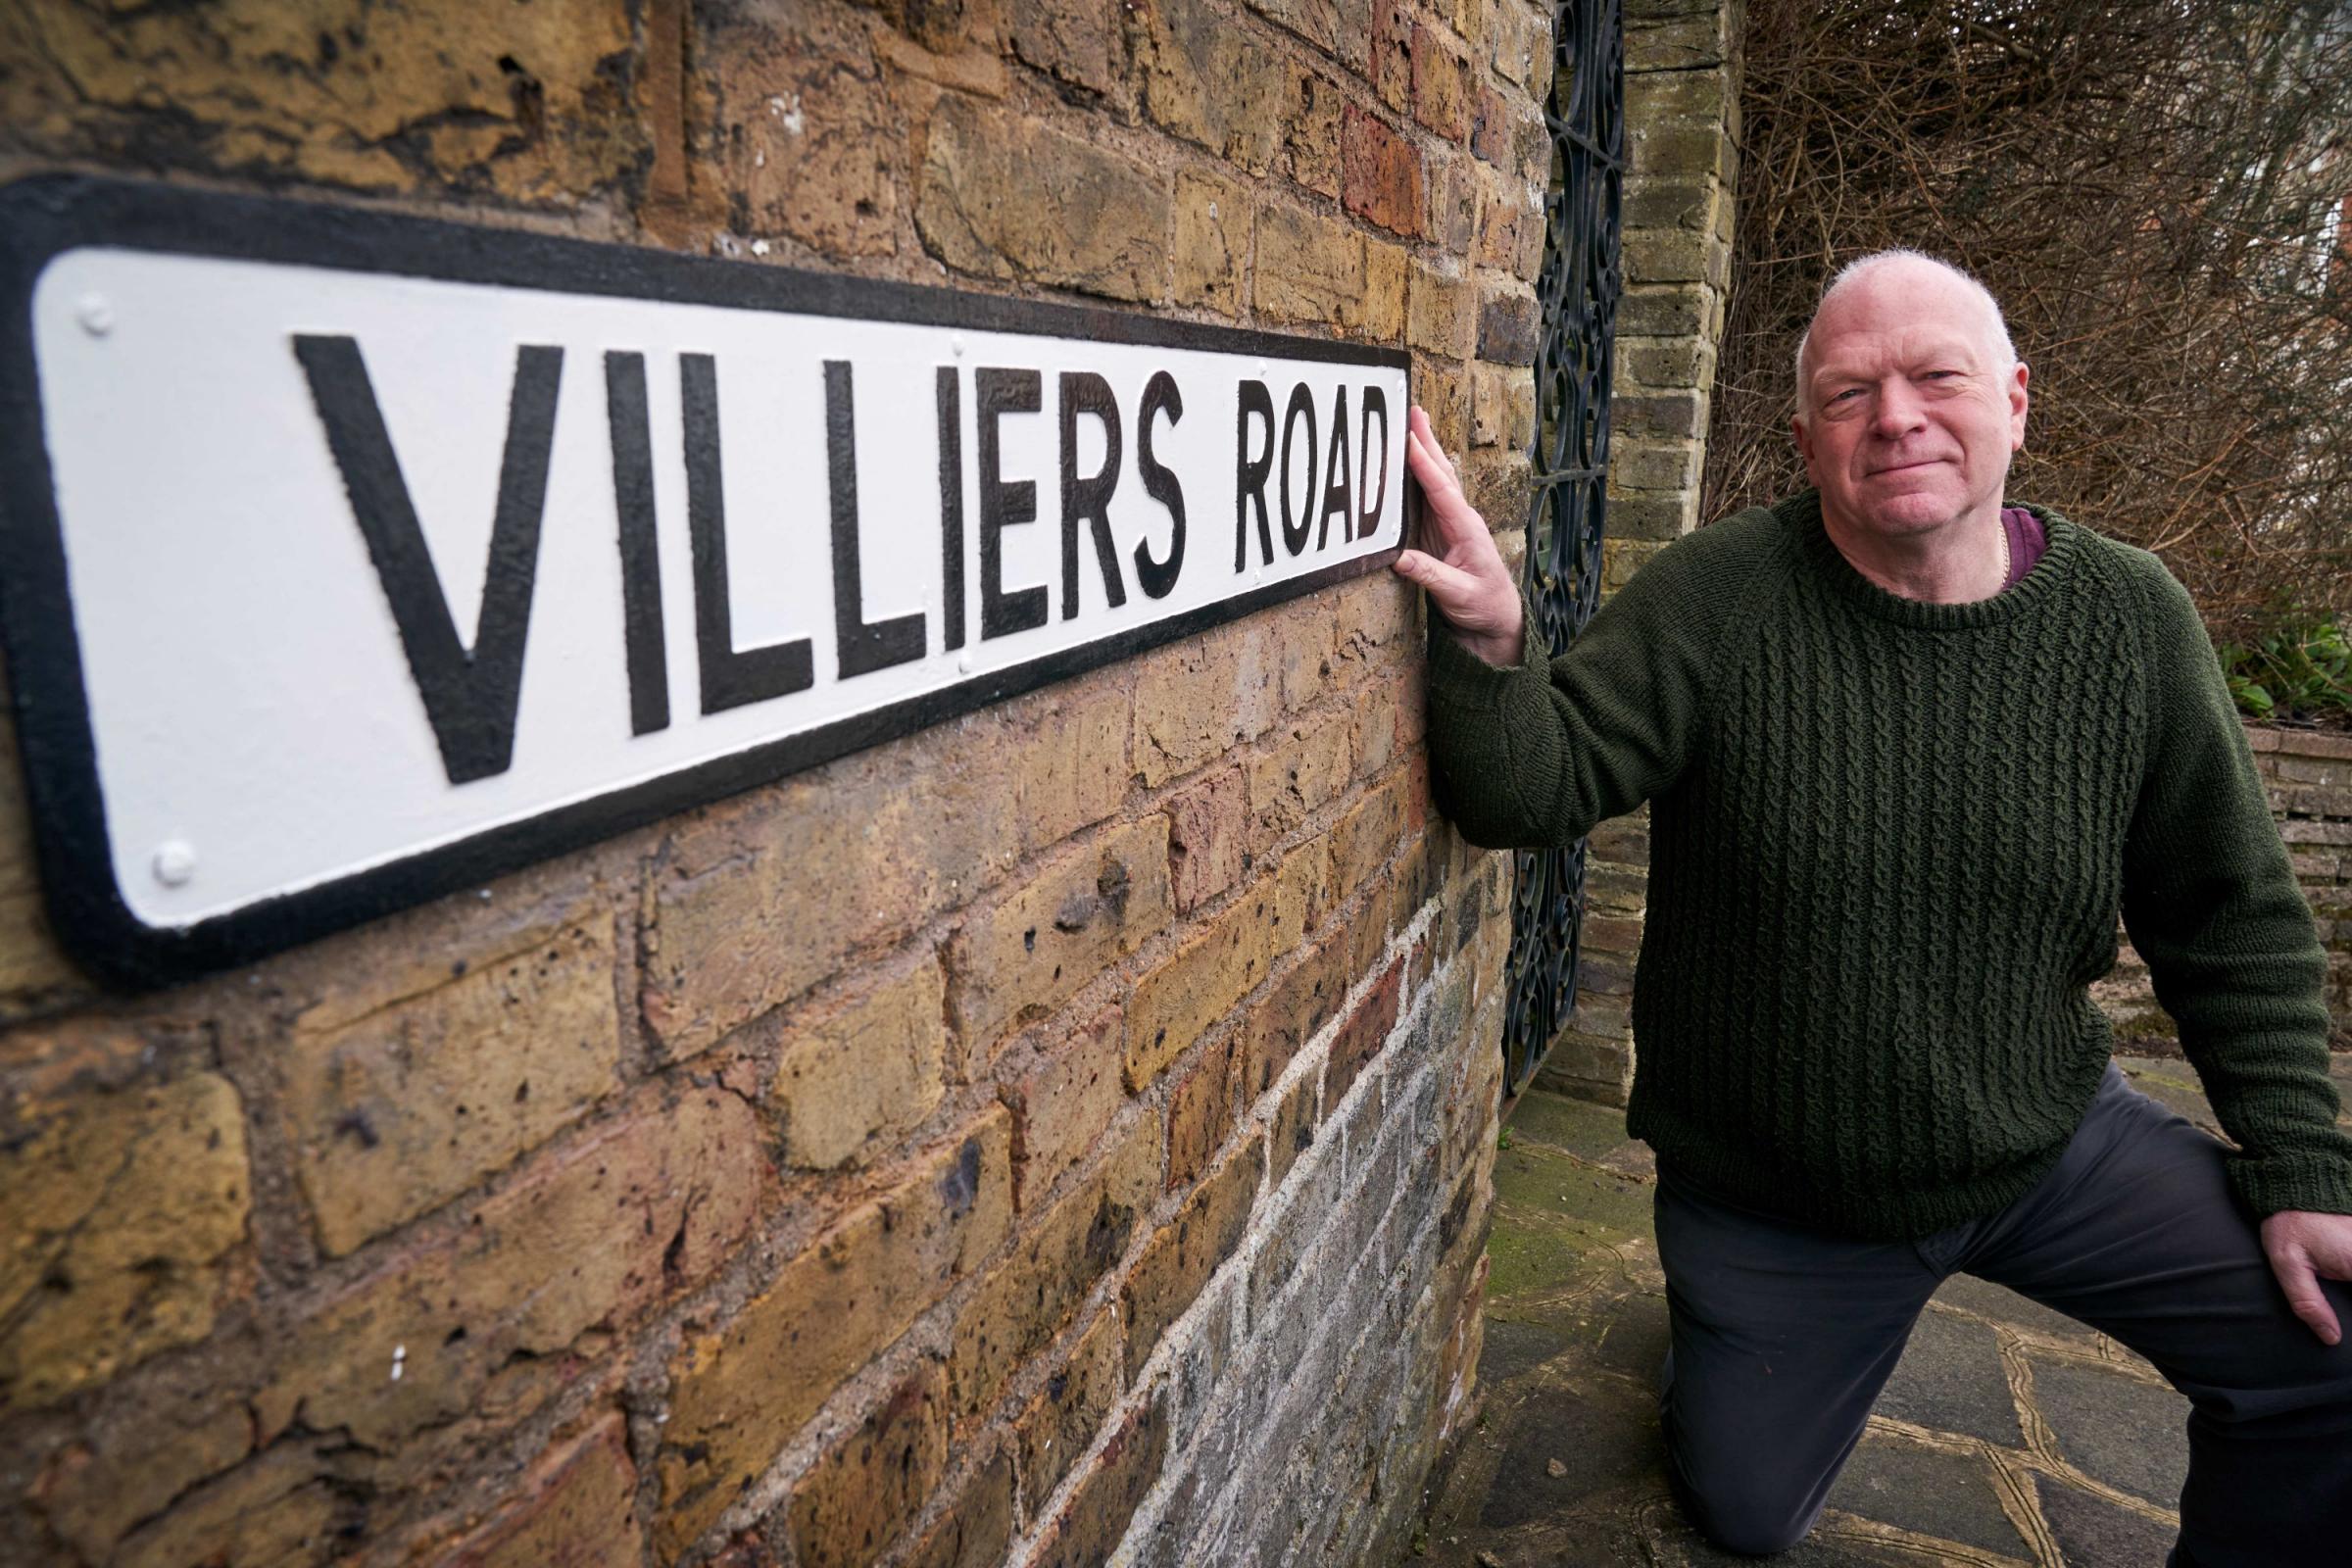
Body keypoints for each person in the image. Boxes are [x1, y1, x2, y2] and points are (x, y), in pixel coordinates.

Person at [1397, 249, 2352, 1565]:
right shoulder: (1720, 597)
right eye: (1849, 394)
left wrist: (2300, 1165)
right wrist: (1492, 649)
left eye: (1936, 378)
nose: (1894, 416)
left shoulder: (2131, 618)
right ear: (1806, 439)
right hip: (1780, 1192)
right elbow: (1530, 788)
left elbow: (2231, 914)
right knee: (1744, 1512)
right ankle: (1718, 1347)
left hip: (2043, 1147)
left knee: (2330, 1349)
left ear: (2016, 400)